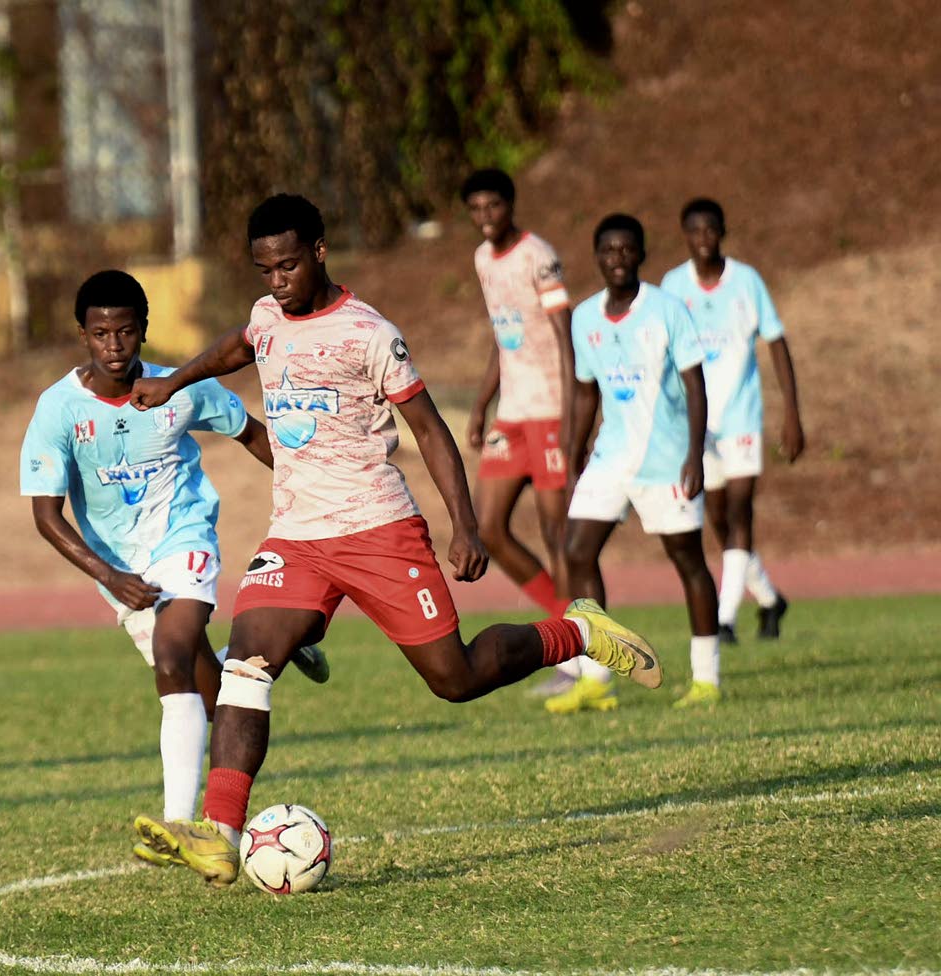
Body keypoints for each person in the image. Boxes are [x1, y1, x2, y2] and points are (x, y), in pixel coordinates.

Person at [126, 194, 664, 887]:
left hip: (380, 529)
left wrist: (464, 524)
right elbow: (240, 342)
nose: (277, 281)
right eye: (265, 270)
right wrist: (174, 379)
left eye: (288, 265)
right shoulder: (267, 317)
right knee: (247, 662)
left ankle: (577, 633)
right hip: (296, 536)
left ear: (319, 251)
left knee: (456, 678)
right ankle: (219, 831)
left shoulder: (368, 333)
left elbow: (432, 430)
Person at [18, 269, 328, 854]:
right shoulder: (58, 410)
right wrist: (110, 576)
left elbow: (251, 433)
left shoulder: (178, 388)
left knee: (171, 656)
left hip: (185, 538)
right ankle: (283, 640)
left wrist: (310, 496)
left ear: (144, 331)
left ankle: (178, 824)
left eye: (127, 332)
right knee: (206, 687)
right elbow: (46, 517)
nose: (115, 346)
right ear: (82, 334)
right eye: (101, 333)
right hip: (119, 569)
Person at [556, 214, 721, 713]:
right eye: (608, 250)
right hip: (611, 456)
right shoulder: (584, 317)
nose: (617, 259)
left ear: (642, 254)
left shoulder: (667, 309)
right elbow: (586, 392)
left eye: (627, 250)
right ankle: (595, 676)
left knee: (687, 560)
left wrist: (695, 454)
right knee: (577, 551)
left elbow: (695, 385)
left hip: (667, 460)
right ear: (597, 256)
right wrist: (575, 452)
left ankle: (707, 679)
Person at [660, 198, 804, 643]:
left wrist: (792, 414)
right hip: (698, 425)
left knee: (741, 514)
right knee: (718, 521)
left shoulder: (746, 281)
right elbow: (664, 354)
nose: (704, 240)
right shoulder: (672, 285)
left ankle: (723, 621)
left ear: (723, 231)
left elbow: (777, 343)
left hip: (741, 418)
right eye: (695, 232)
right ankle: (769, 598)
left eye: (711, 230)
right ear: (685, 236)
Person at [460, 169, 573, 628]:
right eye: (476, 209)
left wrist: (573, 419)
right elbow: (503, 334)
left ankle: (581, 652)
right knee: (486, 528)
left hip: (550, 411)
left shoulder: (538, 255)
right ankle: (566, 627)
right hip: (511, 416)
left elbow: (566, 337)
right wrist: (481, 404)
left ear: (511, 204)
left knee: (557, 536)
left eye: (494, 206)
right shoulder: (483, 258)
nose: (486, 217)